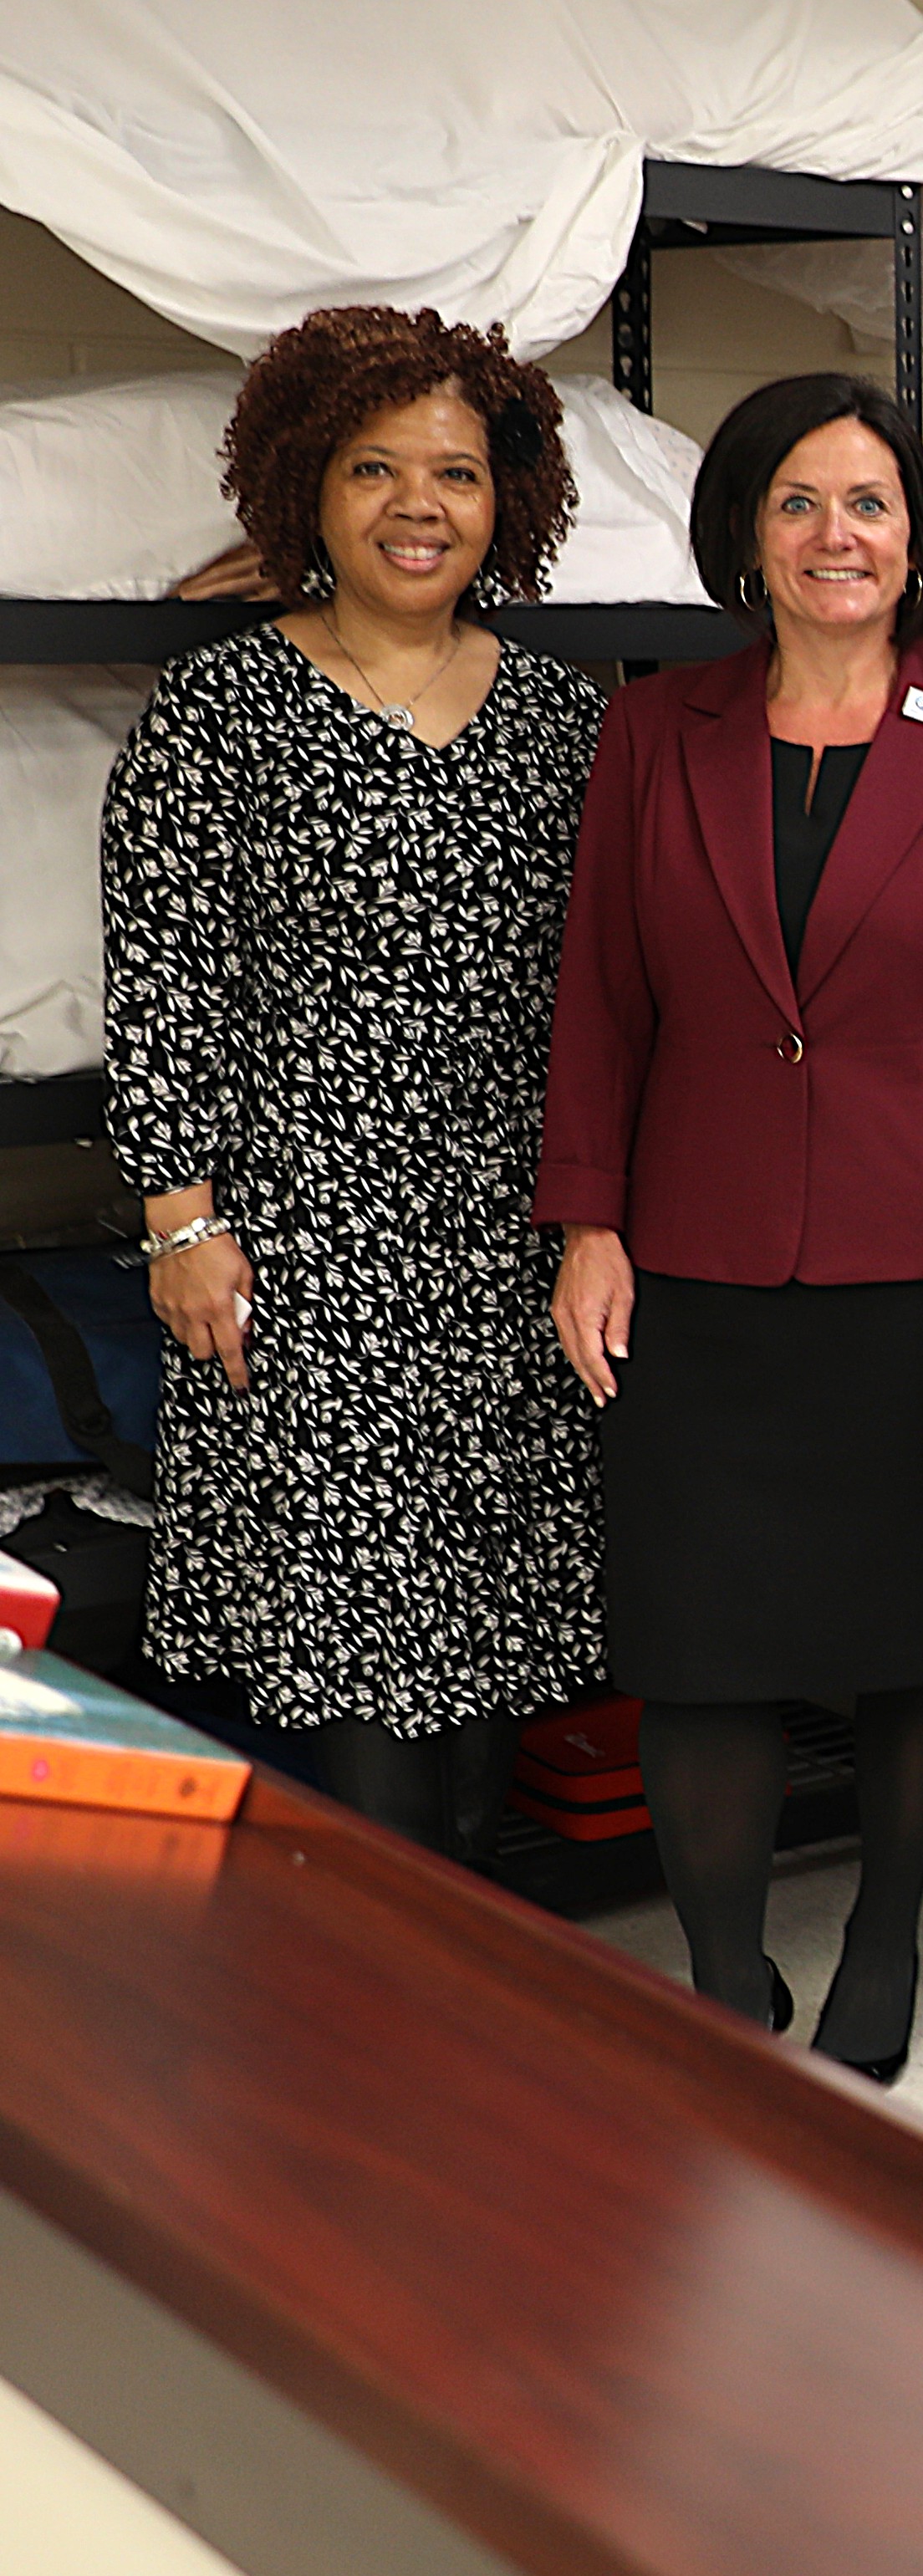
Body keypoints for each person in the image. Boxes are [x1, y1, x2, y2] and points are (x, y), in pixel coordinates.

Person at [539, 375, 923, 2087]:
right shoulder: (653, 728)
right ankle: (716, 1971)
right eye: (797, 504)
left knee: (917, 1623)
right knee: (703, 1634)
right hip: (697, 1256)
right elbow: (603, 1005)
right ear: (747, 540)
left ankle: (890, 1930)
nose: (838, 535)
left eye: (871, 504)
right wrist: (590, 1221)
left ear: (916, 539)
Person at [99, 305, 607, 1862]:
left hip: (511, 1254)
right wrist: (181, 1226)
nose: (417, 503)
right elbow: (163, 982)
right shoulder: (217, 714)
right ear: (304, 489)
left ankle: (463, 2016)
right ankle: (386, 2043)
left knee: (488, 1667)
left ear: (503, 499)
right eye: (374, 467)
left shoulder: (571, 721)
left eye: (455, 471)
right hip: (305, 1258)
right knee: (354, 1683)